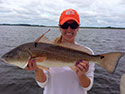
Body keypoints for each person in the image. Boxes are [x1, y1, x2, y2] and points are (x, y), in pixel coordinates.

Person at [25, 9, 95, 94]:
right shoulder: (46, 50)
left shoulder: (87, 54)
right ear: (60, 27)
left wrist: (81, 75)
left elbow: (88, 87)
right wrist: (37, 69)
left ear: (78, 27)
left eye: (73, 25)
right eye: (65, 25)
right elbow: (42, 84)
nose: (69, 29)